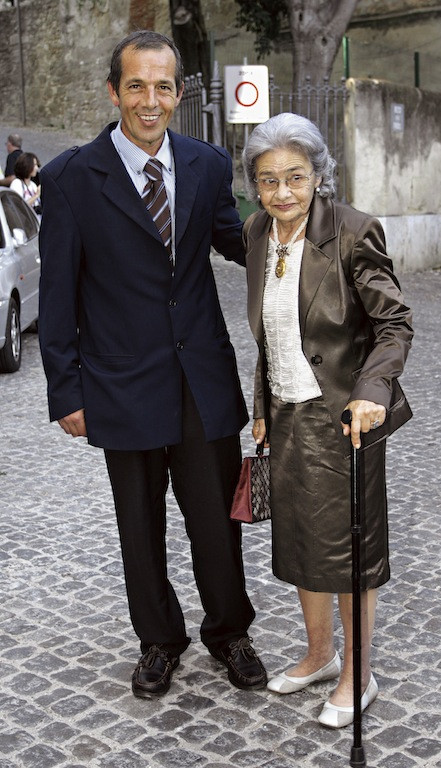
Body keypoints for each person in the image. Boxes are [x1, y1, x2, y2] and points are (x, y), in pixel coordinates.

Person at [38, 30, 267, 700]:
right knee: (139, 527)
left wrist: (301, 237)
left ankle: (229, 632)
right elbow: (56, 297)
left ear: (177, 93)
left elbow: (235, 243)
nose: (150, 100)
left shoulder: (203, 163)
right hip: (120, 381)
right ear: (114, 91)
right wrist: (65, 390)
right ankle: (159, 642)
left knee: (216, 522)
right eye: (136, 85)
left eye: (163, 86)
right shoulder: (72, 179)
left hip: (203, 379)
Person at [241, 113, 413, 728]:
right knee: (298, 542)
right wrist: (262, 406)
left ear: (318, 176)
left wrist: (372, 390)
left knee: (348, 551)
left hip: (345, 419)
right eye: (267, 180)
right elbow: (271, 335)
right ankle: (318, 653)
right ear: (254, 186)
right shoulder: (257, 231)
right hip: (285, 415)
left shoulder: (352, 232)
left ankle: (356, 673)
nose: (281, 192)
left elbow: (393, 323)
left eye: (295, 177)